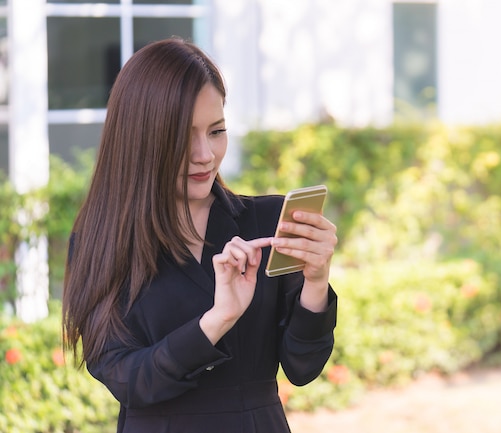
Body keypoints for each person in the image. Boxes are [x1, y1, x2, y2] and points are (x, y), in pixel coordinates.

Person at [62, 37, 338, 433]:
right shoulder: (101, 242)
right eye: (183, 135)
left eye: (216, 131)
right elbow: (126, 379)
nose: (205, 154)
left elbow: (303, 366)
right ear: (140, 137)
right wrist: (218, 319)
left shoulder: (267, 222)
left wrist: (316, 281)